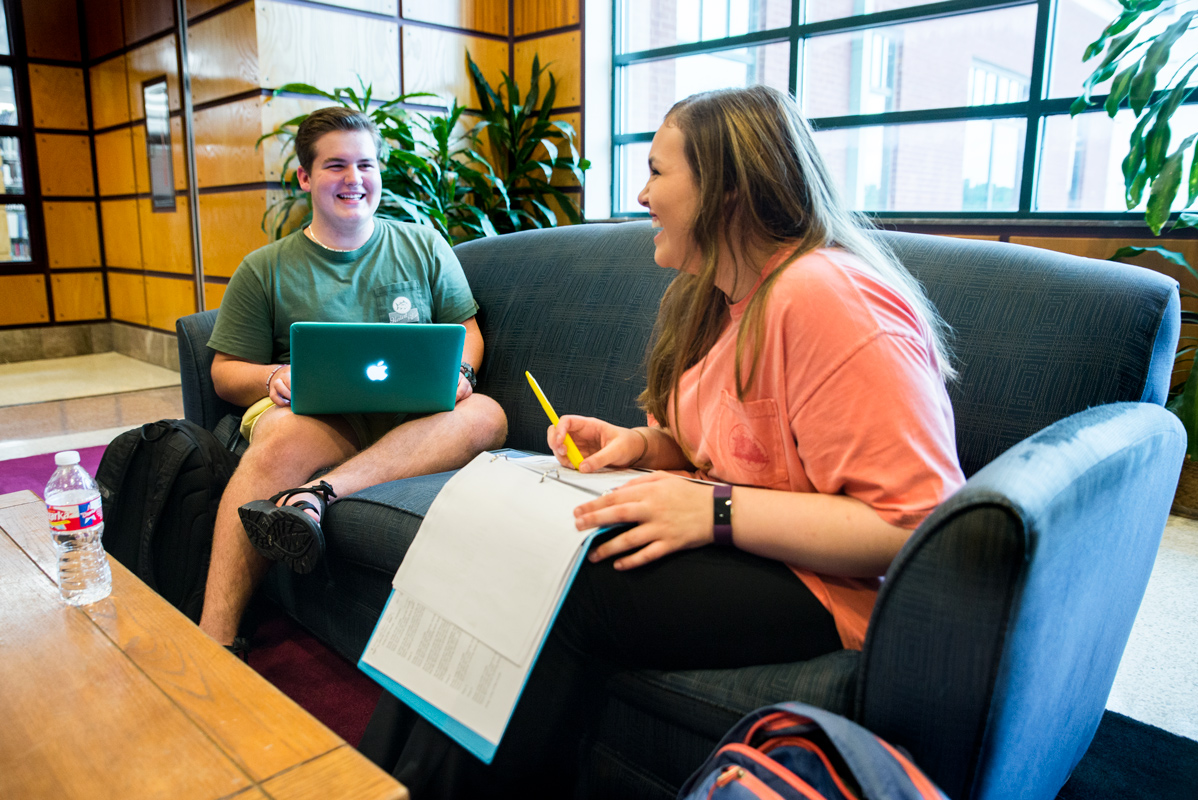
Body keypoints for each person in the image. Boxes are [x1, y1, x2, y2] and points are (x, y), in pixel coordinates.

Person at [359, 85, 965, 796]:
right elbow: (730, 444)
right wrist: (642, 447)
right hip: (752, 545)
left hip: (828, 586)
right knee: (487, 535)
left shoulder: (826, 295)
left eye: (656, 171)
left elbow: (915, 522)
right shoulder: (719, 297)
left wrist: (713, 512)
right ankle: (375, 777)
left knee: (568, 583)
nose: (641, 194)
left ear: (726, 191)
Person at [198, 107, 508, 655]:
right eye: (335, 165)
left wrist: (462, 371)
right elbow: (224, 371)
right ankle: (213, 638)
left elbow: (468, 331)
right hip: (312, 416)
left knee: (488, 415)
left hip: (414, 416)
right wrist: (274, 375)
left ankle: (320, 493)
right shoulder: (263, 268)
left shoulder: (423, 244)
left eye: (365, 164)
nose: (353, 179)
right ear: (304, 177)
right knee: (286, 436)